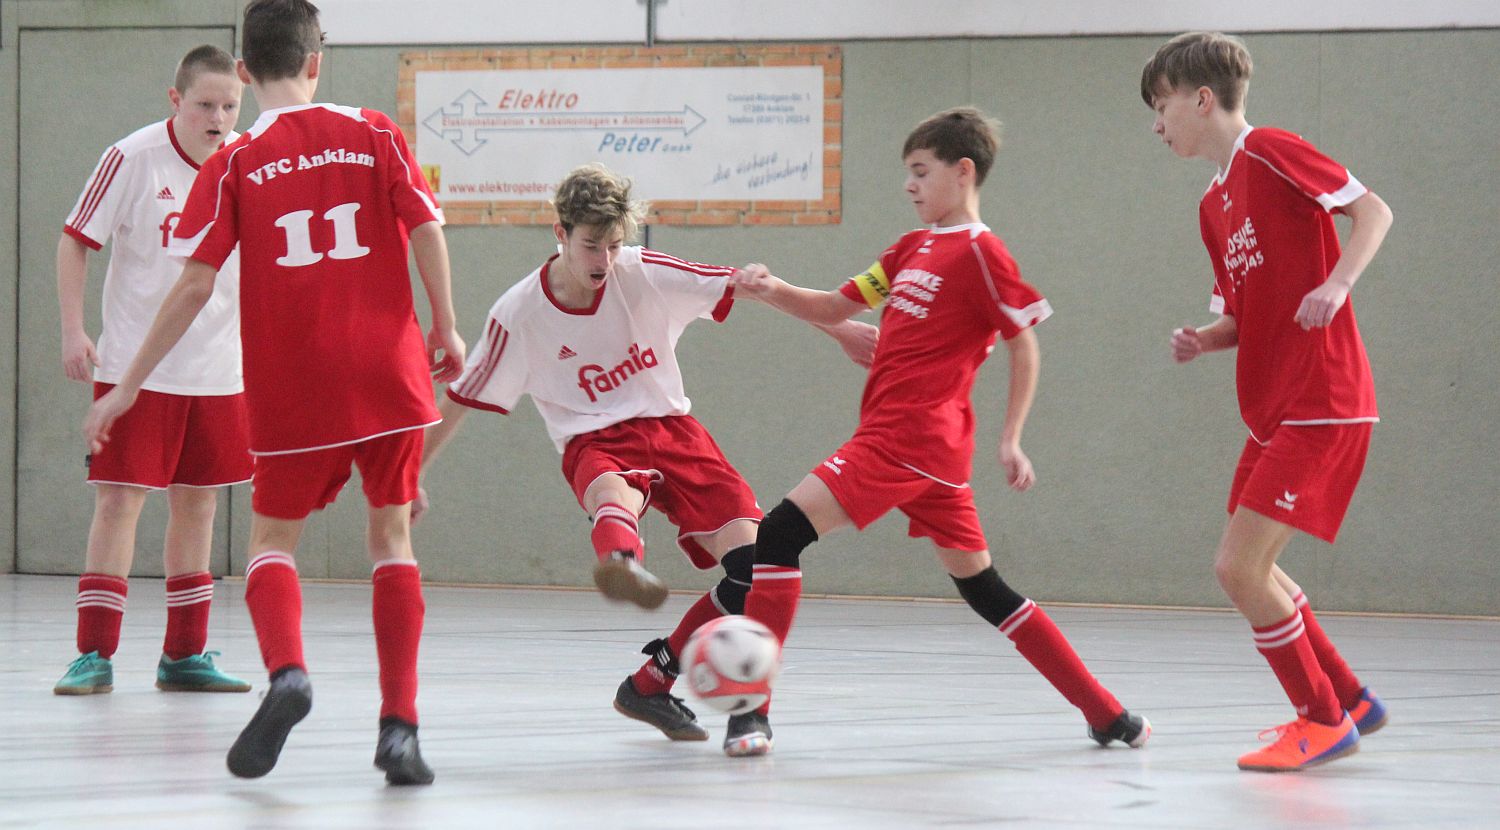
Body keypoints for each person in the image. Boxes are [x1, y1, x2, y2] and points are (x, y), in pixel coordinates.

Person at [85, 0, 464, 786]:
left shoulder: (236, 160)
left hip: (296, 386)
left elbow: (192, 287)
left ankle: (288, 673)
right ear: (317, 60)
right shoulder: (374, 131)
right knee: (392, 542)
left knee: (270, 545)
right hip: (389, 375)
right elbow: (427, 227)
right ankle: (400, 731)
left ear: (247, 73)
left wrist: (125, 386)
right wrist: (446, 327)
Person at [724, 107, 1151, 758]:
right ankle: (1107, 713)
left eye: (921, 172)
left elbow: (1024, 344)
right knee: (986, 590)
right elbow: (837, 308)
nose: (910, 185)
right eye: (908, 174)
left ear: (963, 171)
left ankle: (749, 715)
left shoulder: (982, 253)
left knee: (778, 534)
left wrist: (1012, 437)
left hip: (907, 441)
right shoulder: (909, 249)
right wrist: (772, 288)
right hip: (930, 460)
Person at [419, 162, 877, 744]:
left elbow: (751, 287)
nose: (603, 261)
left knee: (757, 568)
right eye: (591, 245)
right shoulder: (518, 313)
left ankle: (664, 683)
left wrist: (839, 330)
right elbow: (461, 397)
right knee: (614, 494)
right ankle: (621, 564)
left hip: (675, 430)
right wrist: (413, 476)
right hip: (595, 440)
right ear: (558, 234)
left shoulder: (644, 272)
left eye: (613, 245)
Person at [1141, 31, 1394, 772]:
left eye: (1162, 107)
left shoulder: (1272, 150)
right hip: (1272, 410)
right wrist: (1205, 340)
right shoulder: (1211, 204)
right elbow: (1241, 317)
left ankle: (1320, 719)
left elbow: (1373, 211)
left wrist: (1338, 282)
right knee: (1259, 569)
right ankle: (1349, 698)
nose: (1158, 125)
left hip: (1324, 398)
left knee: (1238, 569)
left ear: (1202, 99)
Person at [53, 45, 252, 697]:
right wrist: (74, 329)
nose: (218, 118)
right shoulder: (133, 157)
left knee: (199, 506)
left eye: (229, 105)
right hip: (137, 367)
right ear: (176, 101)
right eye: (204, 105)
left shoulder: (248, 164)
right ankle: (93, 655)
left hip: (220, 371)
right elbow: (75, 239)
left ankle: (184, 655)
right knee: (119, 503)